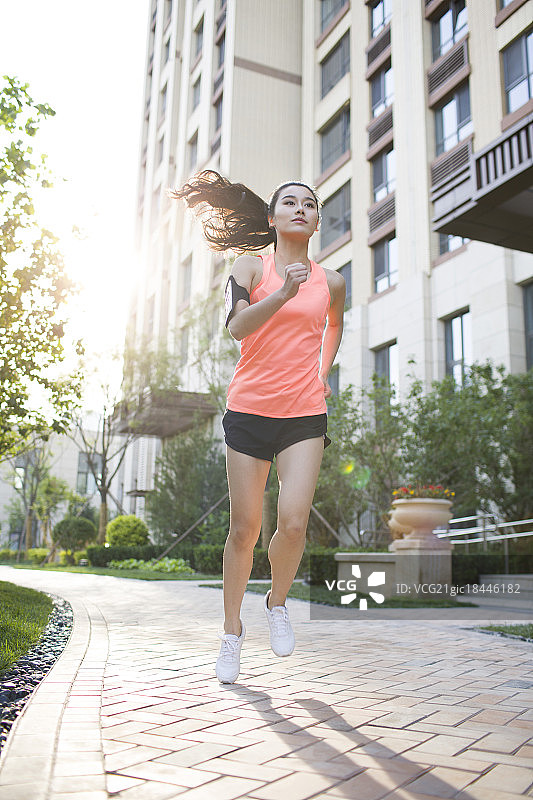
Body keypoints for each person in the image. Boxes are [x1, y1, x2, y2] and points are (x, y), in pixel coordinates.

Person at [171, 170, 345, 683]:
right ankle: (231, 633)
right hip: (248, 410)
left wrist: (323, 372)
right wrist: (284, 295)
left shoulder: (331, 281)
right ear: (271, 219)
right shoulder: (251, 267)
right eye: (289, 202)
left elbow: (334, 325)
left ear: (314, 222)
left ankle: (276, 602)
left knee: (292, 523)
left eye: (309, 205)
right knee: (245, 530)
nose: (300, 209)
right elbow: (237, 328)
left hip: (304, 412)